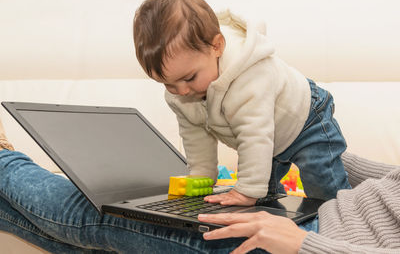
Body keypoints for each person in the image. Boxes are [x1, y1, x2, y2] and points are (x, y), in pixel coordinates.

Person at [1, 118, 399, 253]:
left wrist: (301, 243)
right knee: (109, 232)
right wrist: (303, 138)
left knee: (95, 212)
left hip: (307, 241)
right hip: (306, 213)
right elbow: (388, 181)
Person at [133, 0, 351, 206]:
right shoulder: (182, 93)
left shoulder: (248, 77)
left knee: (324, 191)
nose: (181, 91)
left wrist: (246, 191)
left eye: (189, 78)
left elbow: (254, 133)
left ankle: (349, 219)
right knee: (264, 201)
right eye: (168, 83)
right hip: (267, 142)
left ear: (216, 47)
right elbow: (194, 134)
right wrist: (202, 176)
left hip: (306, 120)